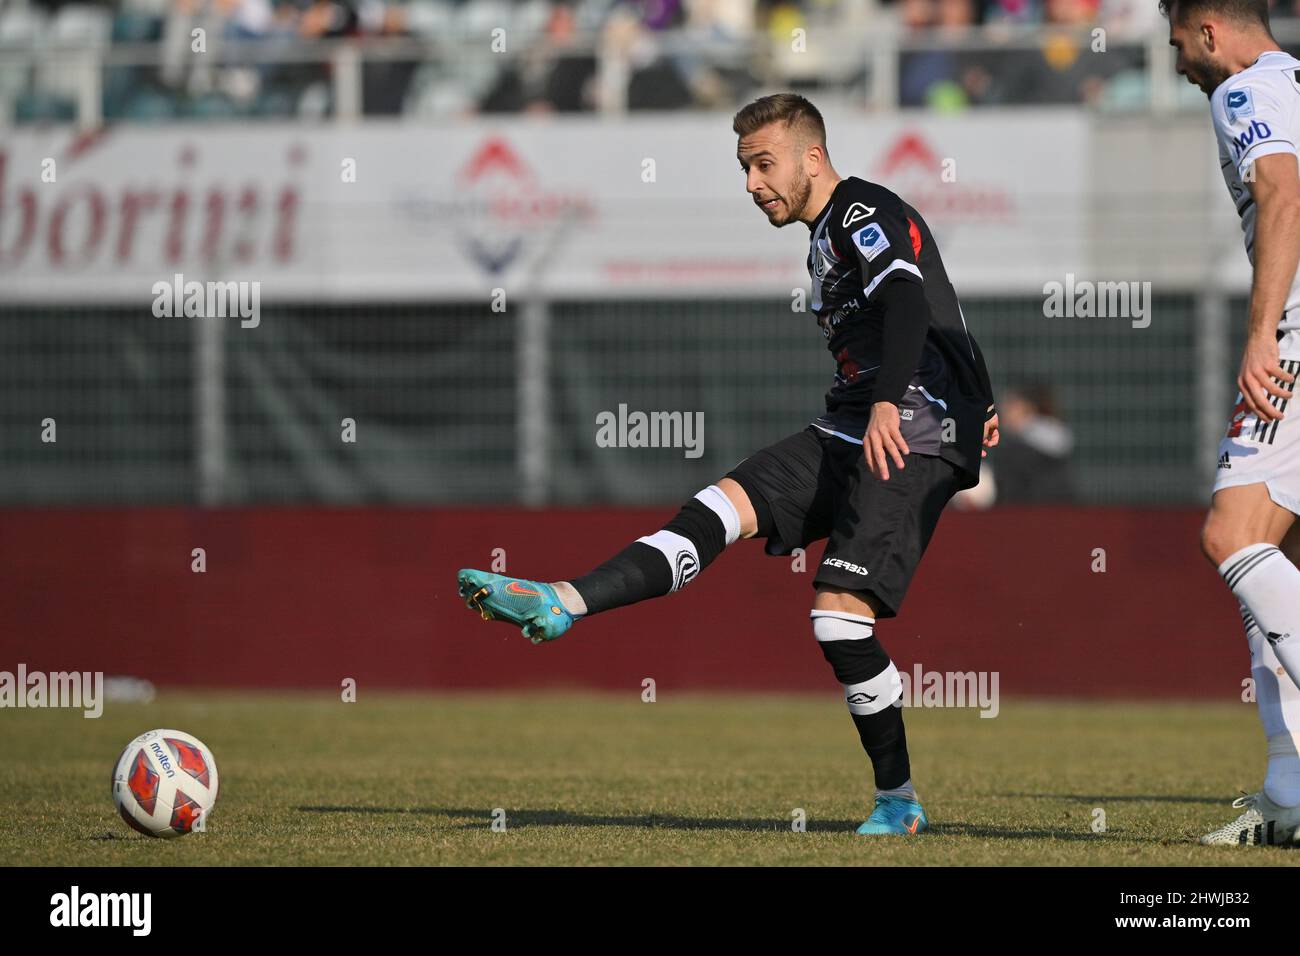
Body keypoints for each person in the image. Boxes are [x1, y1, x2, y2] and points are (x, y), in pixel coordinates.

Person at [457, 93, 999, 836]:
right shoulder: (824, 235)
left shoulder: (858, 212)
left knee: (839, 623)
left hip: (909, 430)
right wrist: (981, 395)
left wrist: (903, 403)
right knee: (713, 512)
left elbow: (907, 298)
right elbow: (943, 303)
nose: (752, 184)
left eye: (763, 164)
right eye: (744, 168)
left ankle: (898, 801)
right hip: (854, 423)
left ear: (813, 157)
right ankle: (562, 601)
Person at [1162, 0, 1300, 845]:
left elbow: (1282, 192)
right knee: (1277, 555)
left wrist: (1261, 336)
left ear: (1210, 31)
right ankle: (1289, 799)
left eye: (1180, 45)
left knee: (1232, 534)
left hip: (1294, 340)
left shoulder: (1244, 91)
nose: (1180, 65)